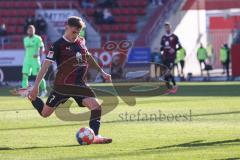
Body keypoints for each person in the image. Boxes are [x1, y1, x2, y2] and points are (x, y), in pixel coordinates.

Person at [25, 16, 112, 144]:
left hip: (79, 85)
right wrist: (36, 86)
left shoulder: (81, 41)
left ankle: (95, 136)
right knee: (45, 113)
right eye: (73, 32)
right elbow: (45, 66)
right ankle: (30, 95)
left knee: (96, 106)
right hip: (62, 86)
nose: (75, 35)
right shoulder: (57, 45)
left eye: (78, 32)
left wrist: (102, 72)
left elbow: (88, 57)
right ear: (67, 27)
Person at [22, 25, 47, 97]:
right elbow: (26, 49)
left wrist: (39, 53)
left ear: (34, 31)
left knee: (38, 76)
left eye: (32, 30)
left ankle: (44, 90)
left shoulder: (38, 38)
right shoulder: (25, 39)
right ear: (27, 31)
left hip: (35, 60)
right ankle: (25, 92)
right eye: (29, 30)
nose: (30, 31)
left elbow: (42, 47)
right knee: (24, 75)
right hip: (27, 60)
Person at [160, 22, 181, 94]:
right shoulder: (163, 37)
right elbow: (162, 48)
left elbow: (180, 47)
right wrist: (161, 52)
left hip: (172, 57)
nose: (167, 28)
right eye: (165, 27)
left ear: (170, 28)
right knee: (166, 73)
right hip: (165, 58)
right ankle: (169, 88)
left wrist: (174, 50)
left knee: (167, 72)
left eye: (168, 27)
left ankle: (174, 86)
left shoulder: (175, 37)